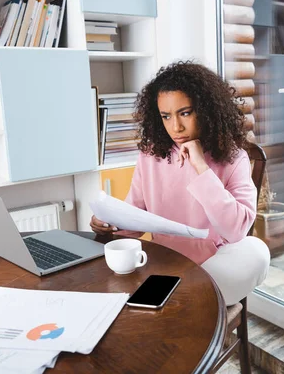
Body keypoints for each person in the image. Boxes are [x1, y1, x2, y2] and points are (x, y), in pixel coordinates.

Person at [90, 61, 270, 305]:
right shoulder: (151, 155)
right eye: (166, 116)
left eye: (185, 113)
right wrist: (108, 223)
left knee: (257, 252)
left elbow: (236, 230)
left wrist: (201, 167)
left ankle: (180, 299)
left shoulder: (233, 157)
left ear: (206, 110)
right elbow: (133, 221)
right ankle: (186, 300)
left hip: (215, 263)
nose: (176, 127)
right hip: (164, 261)